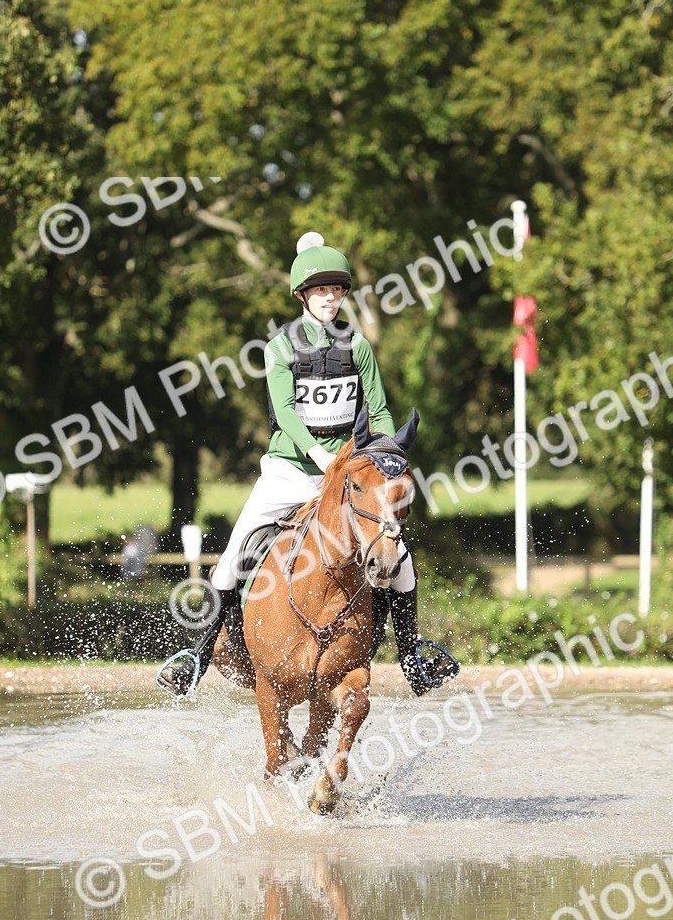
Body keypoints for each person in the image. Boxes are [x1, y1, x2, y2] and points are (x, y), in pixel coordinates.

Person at [162, 231, 458, 696]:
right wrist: (319, 455)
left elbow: (378, 412)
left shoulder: (358, 347)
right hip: (289, 470)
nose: (330, 298)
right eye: (321, 291)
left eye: (336, 290)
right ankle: (197, 656)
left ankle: (412, 655)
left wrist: (382, 457)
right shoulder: (278, 348)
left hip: (344, 474)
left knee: (398, 557)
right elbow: (285, 414)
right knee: (231, 558)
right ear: (303, 295)